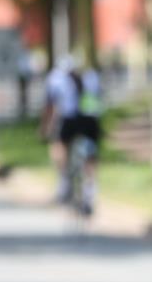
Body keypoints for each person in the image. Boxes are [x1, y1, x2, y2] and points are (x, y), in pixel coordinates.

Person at [40, 55, 104, 215]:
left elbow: (50, 106)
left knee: (58, 146)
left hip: (69, 119)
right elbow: (99, 99)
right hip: (90, 119)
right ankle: (90, 188)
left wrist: (44, 128)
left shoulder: (55, 78)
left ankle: (64, 182)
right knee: (91, 154)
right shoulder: (92, 76)